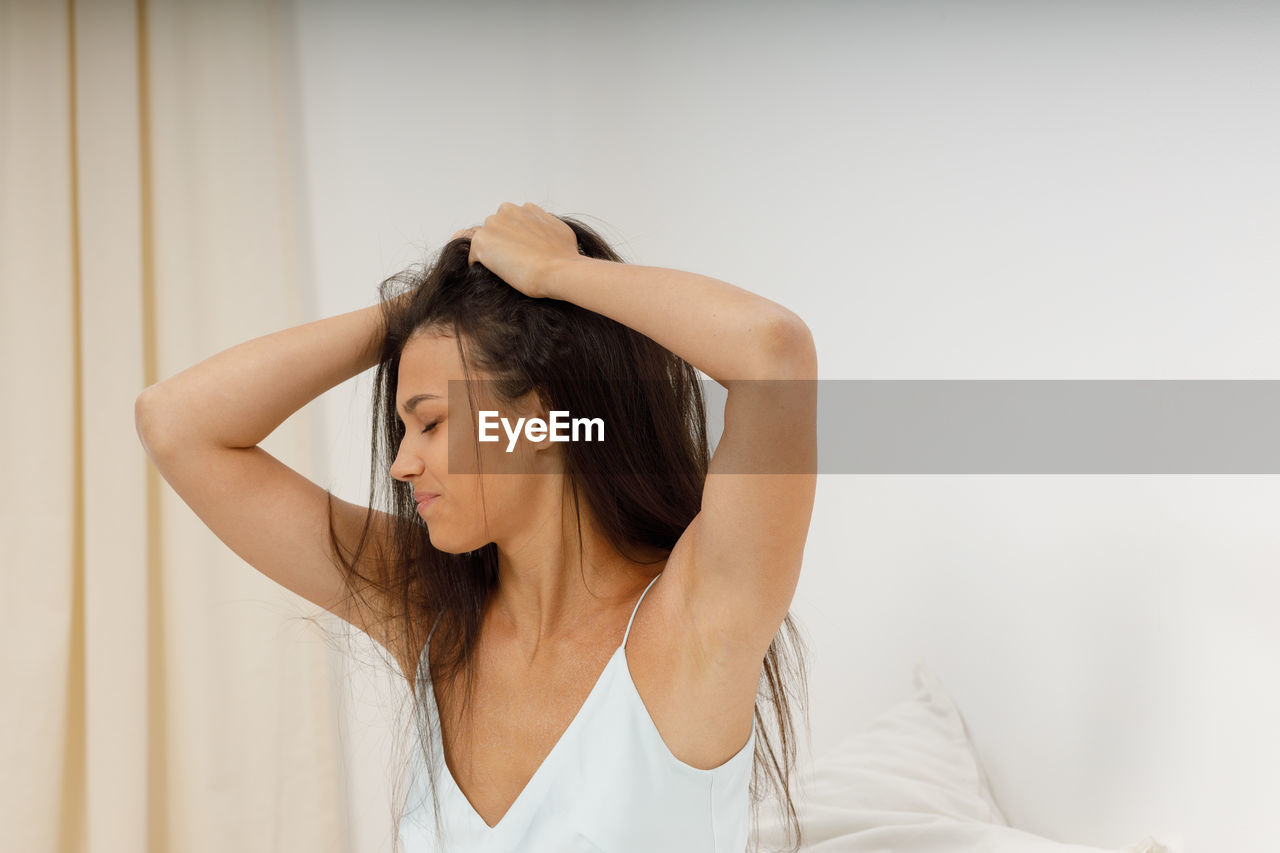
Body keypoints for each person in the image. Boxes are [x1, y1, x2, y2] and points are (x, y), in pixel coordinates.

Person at [135, 201, 817, 852]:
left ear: (542, 415)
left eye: (430, 422)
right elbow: (175, 422)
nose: (402, 463)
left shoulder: (695, 618)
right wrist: (433, 299)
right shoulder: (433, 614)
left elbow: (774, 355)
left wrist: (556, 276)